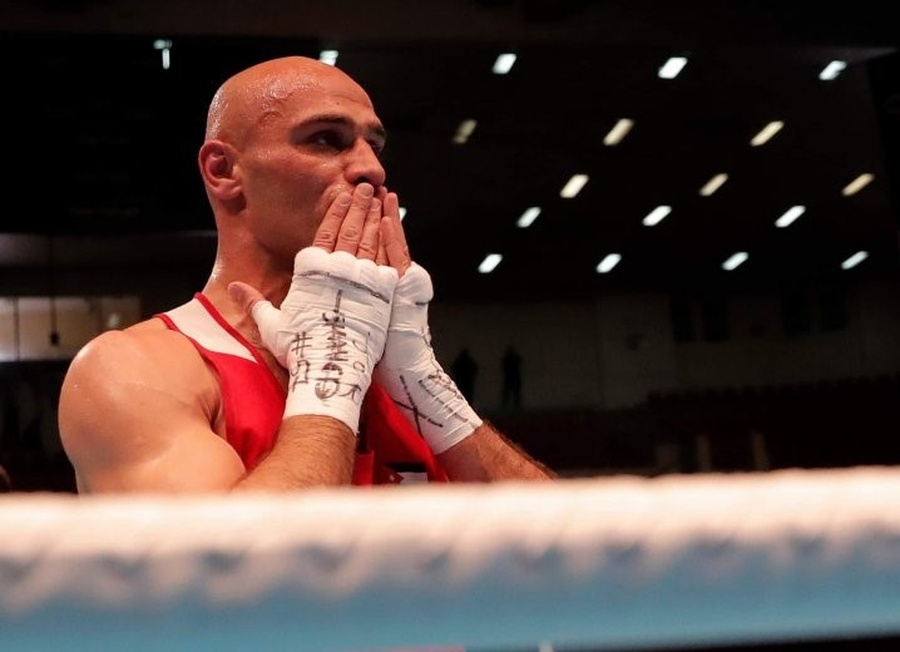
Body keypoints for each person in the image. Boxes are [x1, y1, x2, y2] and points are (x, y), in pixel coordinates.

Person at [58, 55, 554, 492]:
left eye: (374, 146)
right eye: (326, 139)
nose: (370, 170)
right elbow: (218, 577)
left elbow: (572, 565)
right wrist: (329, 377)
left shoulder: (392, 368)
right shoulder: (135, 370)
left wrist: (429, 388)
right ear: (224, 171)